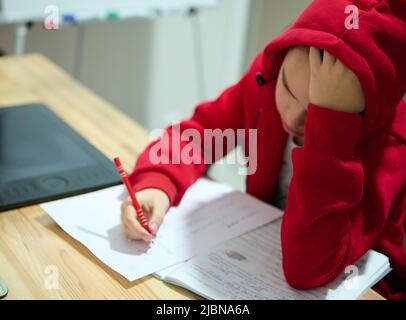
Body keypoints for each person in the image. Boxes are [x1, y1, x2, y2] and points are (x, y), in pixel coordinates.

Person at [121, 0, 406, 299]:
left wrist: (331, 134)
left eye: (314, 116)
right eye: (288, 89)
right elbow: (198, 135)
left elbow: (308, 268)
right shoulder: (267, 80)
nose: (292, 119)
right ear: (279, 62)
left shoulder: (392, 145)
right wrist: (157, 182)